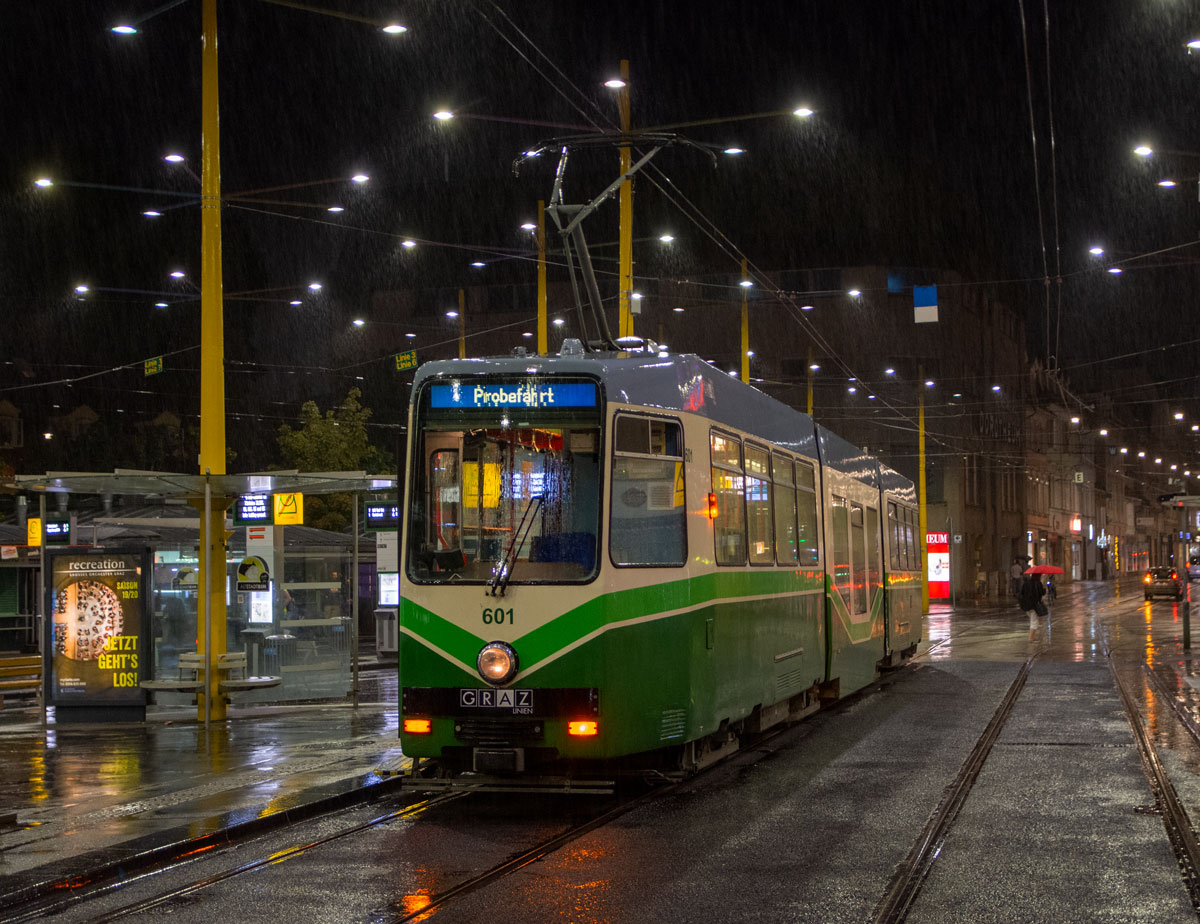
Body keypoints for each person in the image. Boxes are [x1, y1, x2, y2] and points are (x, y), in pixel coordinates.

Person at [1018, 572, 1046, 640]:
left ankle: (1032, 638)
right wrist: (1044, 588)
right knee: (1034, 622)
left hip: (1025, 605)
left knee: (1033, 620)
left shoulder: (1026, 583)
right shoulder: (1038, 583)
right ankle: (1031, 638)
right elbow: (1042, 593)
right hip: (1034, 605)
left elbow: (1021, 592)